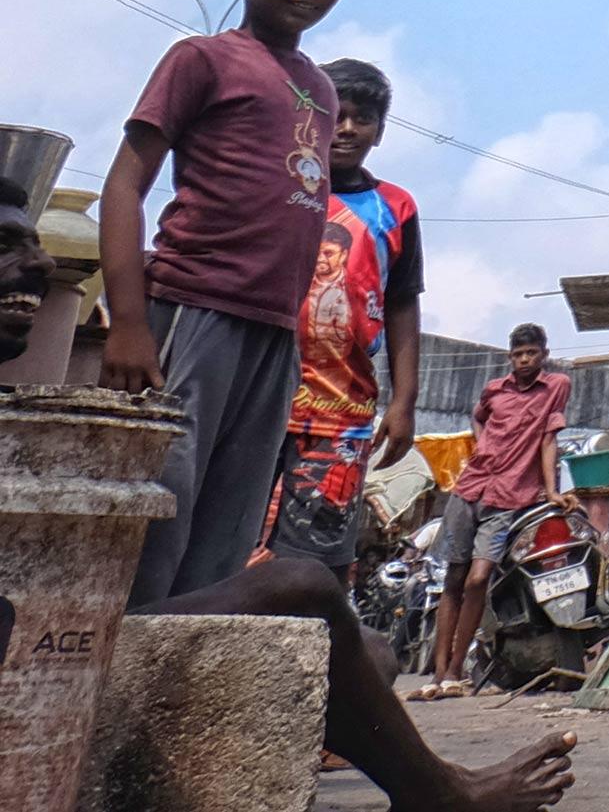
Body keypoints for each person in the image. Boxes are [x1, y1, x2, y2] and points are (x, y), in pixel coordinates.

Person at [0, 184, 577, 811]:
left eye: (34, 245)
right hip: (39, 662)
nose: (42, 265)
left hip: (62, 643)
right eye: (8, 246)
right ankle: (437, 792)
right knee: (299, 590)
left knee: (367, 654)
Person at [101, 0, 353, 605]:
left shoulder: (322, 87)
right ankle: (113, 667)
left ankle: (174, 680)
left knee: (231, 523)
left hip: (275, 329)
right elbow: (125, 183)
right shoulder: (202, 58)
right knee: (160, 505)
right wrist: (127, 319)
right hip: (193, 306)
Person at [267, 56, 425, 571]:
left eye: (364, 118)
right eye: (337, 115)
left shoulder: (394, 207)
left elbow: (402, 303)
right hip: (258, 400)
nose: (348, 129)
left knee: (315, 561)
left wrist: (404, 401)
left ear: (380, 131)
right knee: (231, 544)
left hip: (342, 412)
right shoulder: (276, 186)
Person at [419, 324, 572, 699]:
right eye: (519, 355)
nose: (525, 361)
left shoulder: (556, 386)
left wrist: (551, 489)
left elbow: (549, 438)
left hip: (511, 494)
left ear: (544, 354)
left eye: (532, 354)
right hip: (470, 488)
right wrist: (483, 442)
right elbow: (478, 416)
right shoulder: (494, 390)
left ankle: (457, 668)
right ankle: (440, 675)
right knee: (452, 579)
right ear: (510, 357)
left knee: (477, 578)